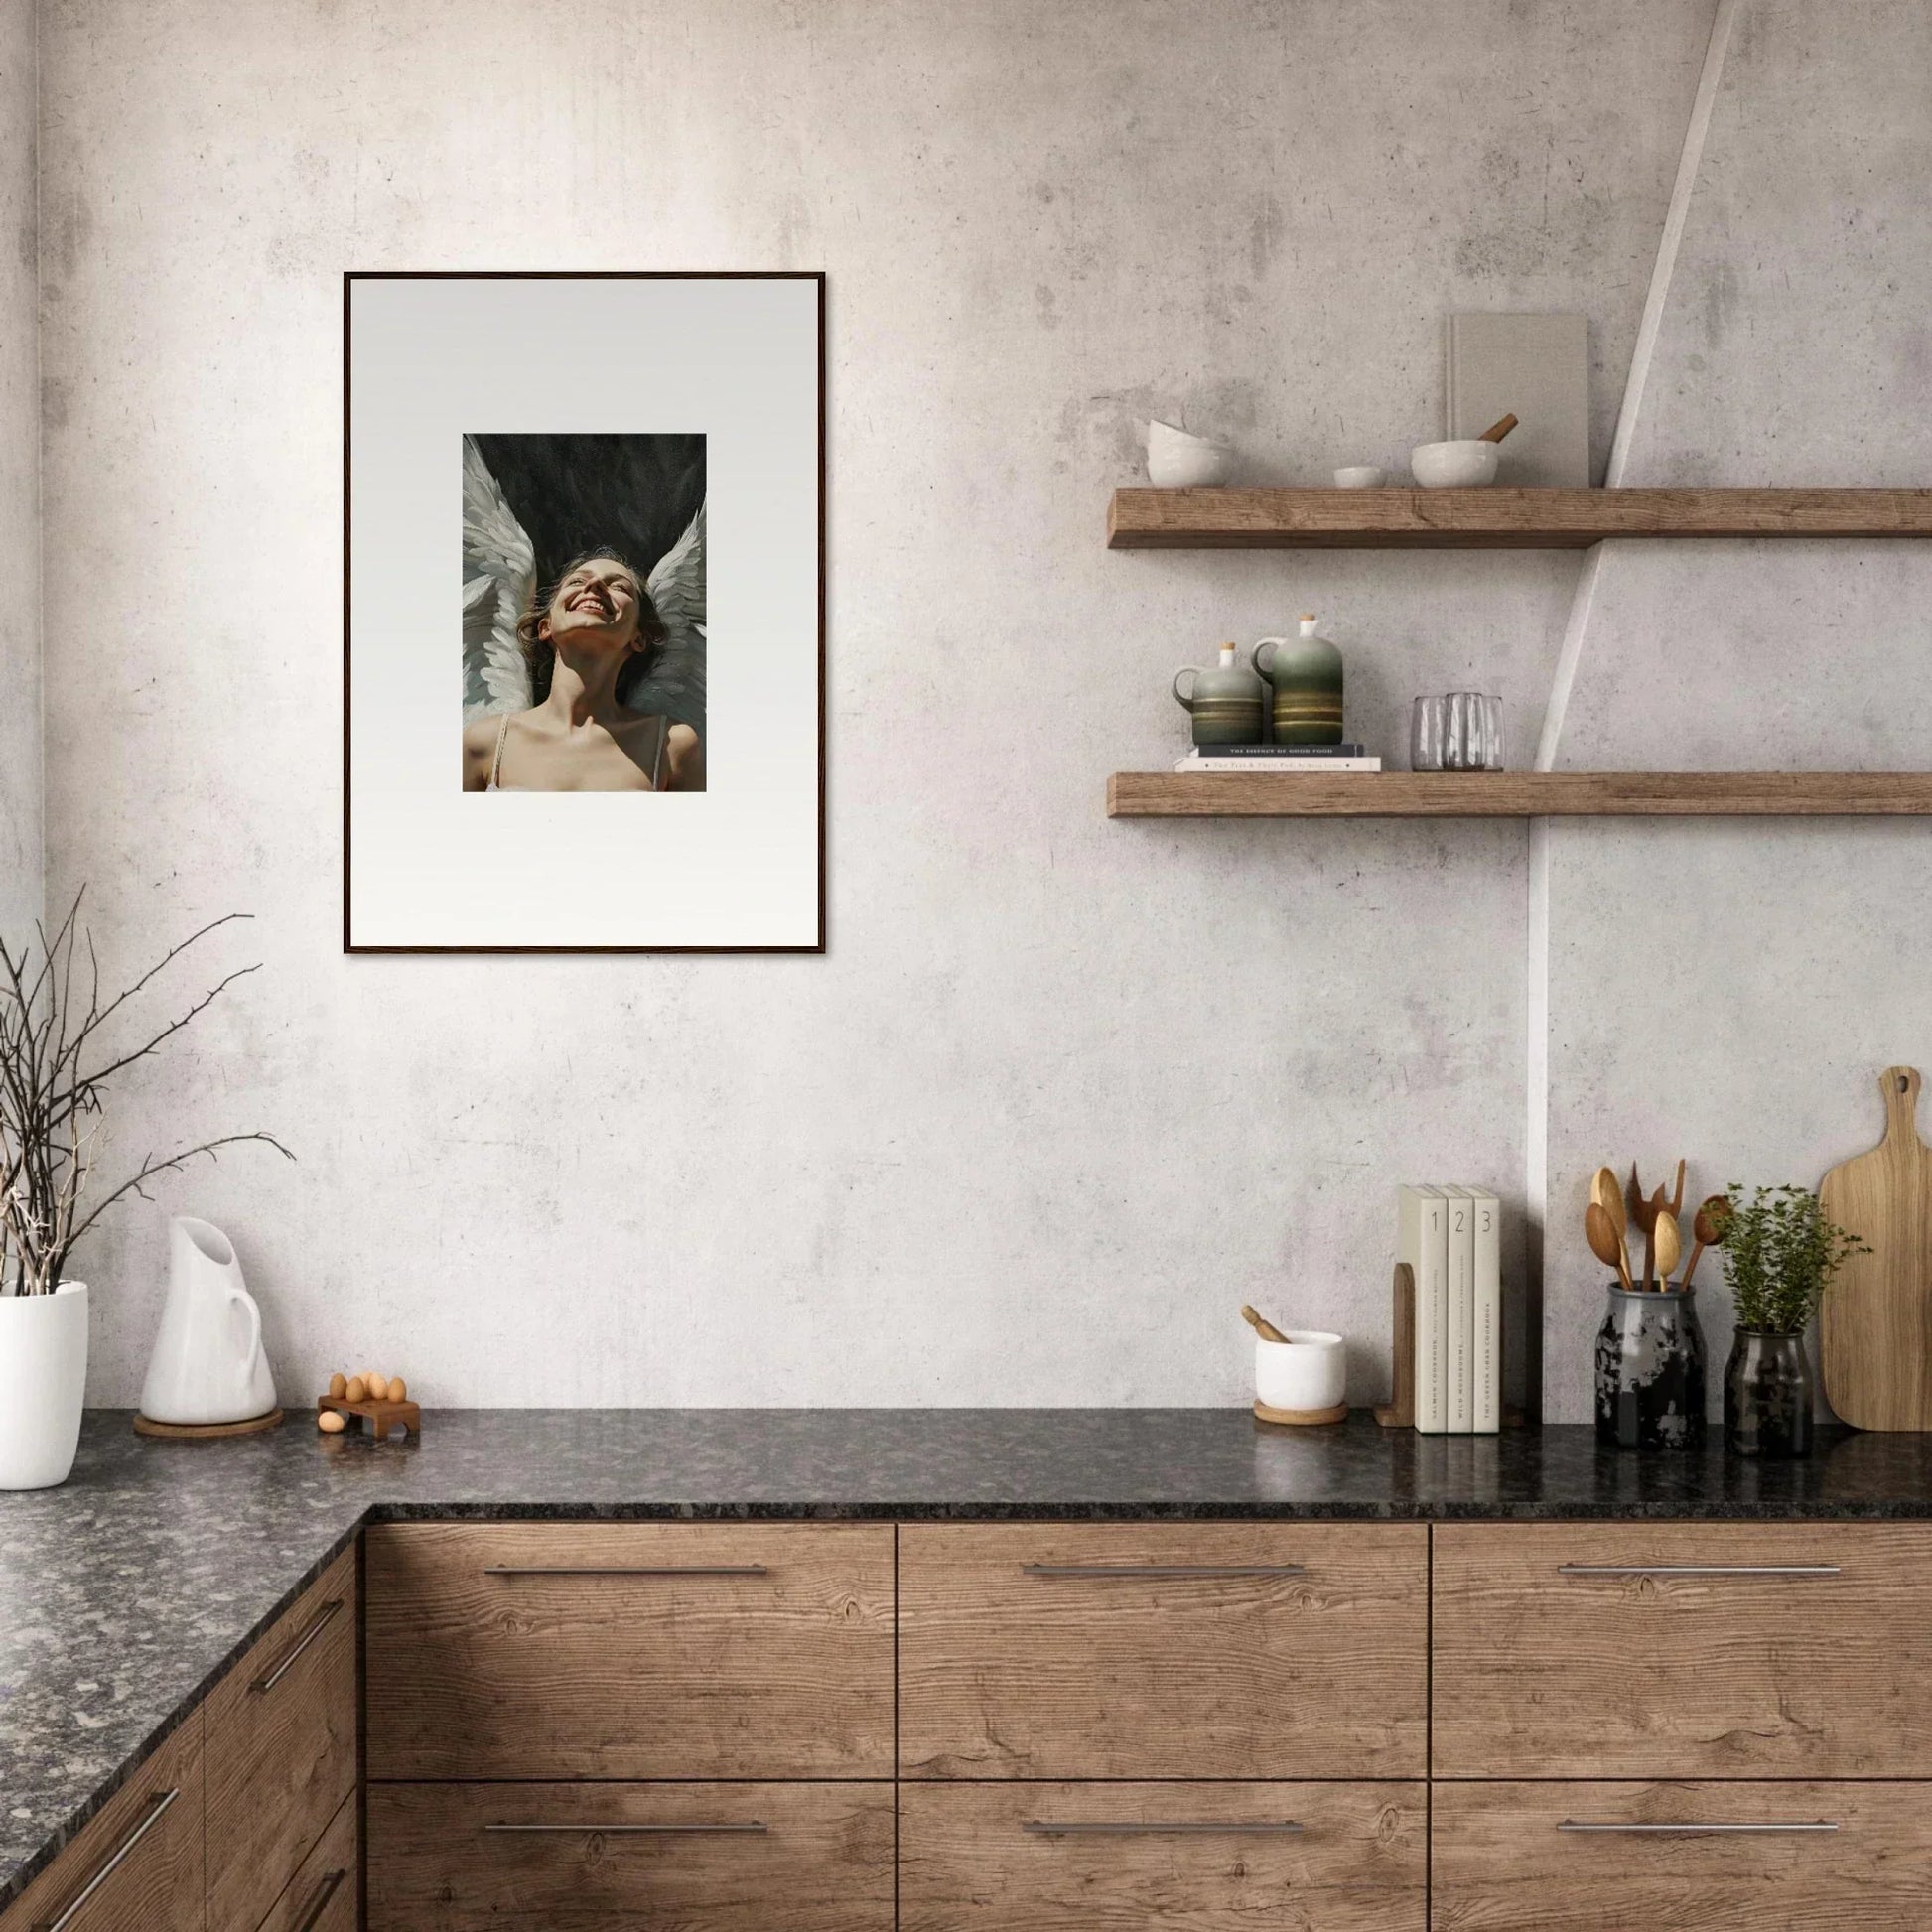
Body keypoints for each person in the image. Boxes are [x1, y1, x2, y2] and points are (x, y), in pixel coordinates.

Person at [462, 551, 704, 791]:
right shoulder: (486, 742)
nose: (595, 584)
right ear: (545, 627)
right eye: (577, 581)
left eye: (619, 586)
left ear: (639, 639)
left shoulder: (671, 747)